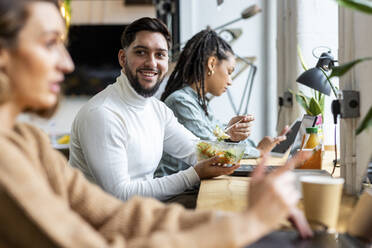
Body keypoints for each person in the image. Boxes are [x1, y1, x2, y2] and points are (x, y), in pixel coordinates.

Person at [0, 1, 313, 246]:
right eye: (49, 42)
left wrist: (234, 206)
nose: (67, 63)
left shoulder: (27, 140)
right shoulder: (98, 116)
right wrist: (247, 224)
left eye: (160, 54)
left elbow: (119, 215)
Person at [68, 17, 242, 205]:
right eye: (141, 52)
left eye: (160, 54)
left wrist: (231, 142)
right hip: (102, 226)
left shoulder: (157, 110)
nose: (151, 63)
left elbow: (196, 150)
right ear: (122, 58)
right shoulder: (102, 114)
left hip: (141, 213)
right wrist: (194, 174)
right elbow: (119, 194)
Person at [157, 29, 288, 177]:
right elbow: (211, 149)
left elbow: (219, 137)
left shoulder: (199, 103)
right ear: (212, 64)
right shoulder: (181, 102)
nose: (230, 81)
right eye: (229, 71)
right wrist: (258, 151)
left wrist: (238, 138)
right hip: (176, 191)